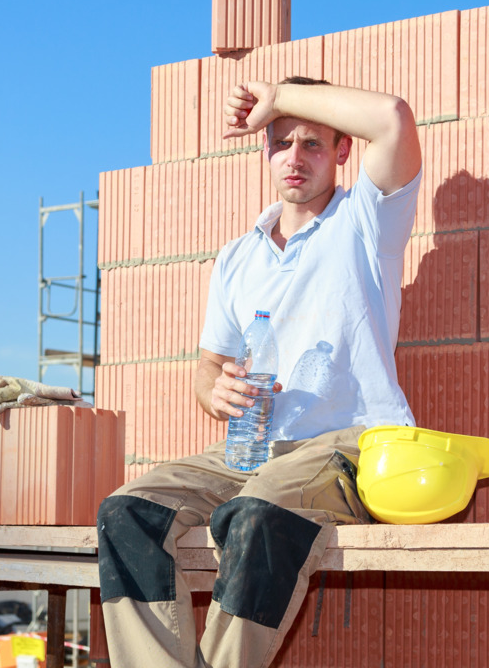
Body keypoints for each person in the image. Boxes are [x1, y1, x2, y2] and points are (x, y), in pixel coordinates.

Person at [96, 76, 423, 667]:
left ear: (343, 151)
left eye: (314, 143)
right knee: (127, 512)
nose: (294, 158)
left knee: (254, 514)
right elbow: (209, 367)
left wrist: (277, 98)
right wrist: (214, 391)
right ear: (263, 150)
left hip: (347, 443)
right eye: (280, 142)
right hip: (252, 450)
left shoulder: (366, 221)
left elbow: (394, 118)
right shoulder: (238, 255)